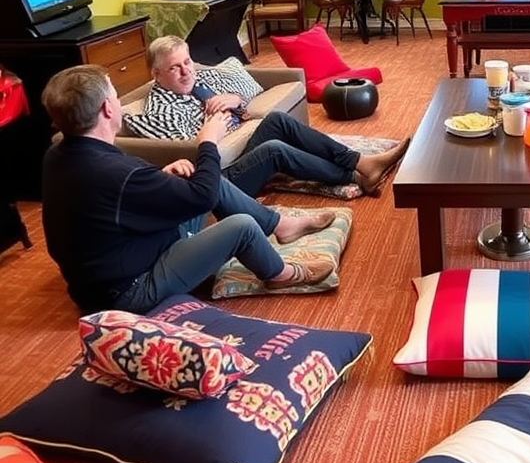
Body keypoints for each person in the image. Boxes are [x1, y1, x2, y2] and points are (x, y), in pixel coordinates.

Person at [41, 65, 341, 313]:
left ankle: (282, 225)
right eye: (117, 97)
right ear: (108, 109)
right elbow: (203, 197)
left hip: (110, 268)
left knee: (197, 178)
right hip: (126, 293)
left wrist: (160, 176)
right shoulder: (119, 173)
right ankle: (281, 275)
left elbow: (106, 203)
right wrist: (207, 141)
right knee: (242, 227)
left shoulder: (60, 153)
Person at [128, 36, 409, 199]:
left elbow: (246, 109)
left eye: (187, 62)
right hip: (219, 178)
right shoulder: (161, 111)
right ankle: (356, 177)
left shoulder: (197, 84)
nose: (187, 71)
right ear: (156, 74)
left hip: (236, 150)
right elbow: (191, 157)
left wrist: (235, 100)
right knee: (273, 150)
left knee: (277, 120)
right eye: (175, 68)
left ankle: (361, 162)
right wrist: (214, 128)